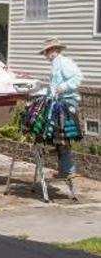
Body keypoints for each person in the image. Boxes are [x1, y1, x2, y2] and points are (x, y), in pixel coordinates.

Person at [38, 37, 83, 179]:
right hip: (59, 104)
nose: (45, 56)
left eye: (46, 52)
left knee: (63, 137)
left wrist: (63, 87)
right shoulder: (55, 65)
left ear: (53, 50)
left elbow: (78, 77)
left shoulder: (64, 62)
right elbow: (53, 87)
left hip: (67, 103)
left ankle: (69, 170)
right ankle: (65, 170)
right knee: (59, 138)